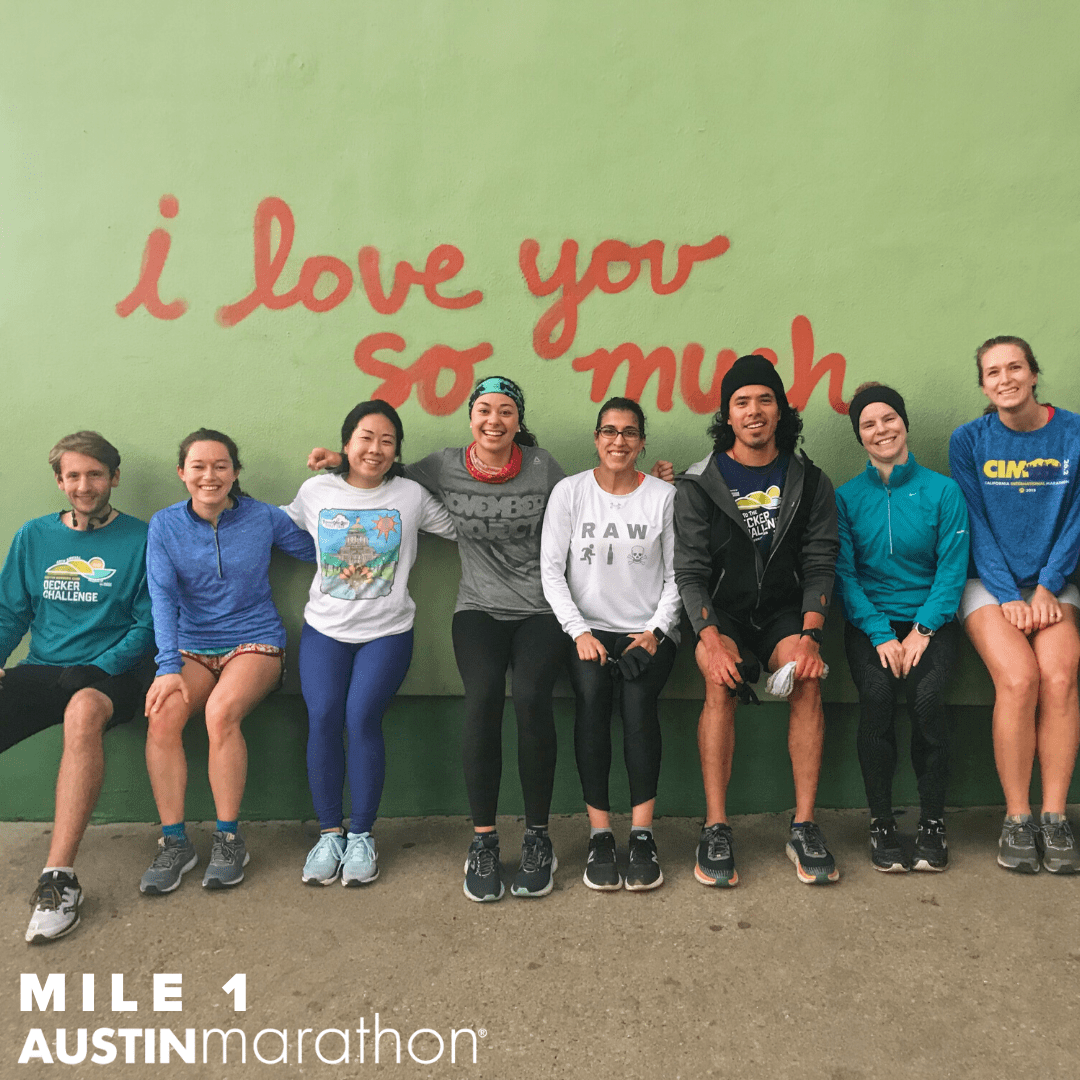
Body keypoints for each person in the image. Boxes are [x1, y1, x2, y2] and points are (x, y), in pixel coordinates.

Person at [309, 376, 567, 901]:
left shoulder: (543, 468)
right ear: (470, 416)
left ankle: (539, 837)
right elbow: (385, 470)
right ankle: (484, 840)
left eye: (506, 412)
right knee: (483, 701)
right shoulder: (441, 465)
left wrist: (659, 480)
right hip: (476, 608)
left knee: (534, 701)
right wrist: (340, 463)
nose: (494, 420)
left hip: (541, 610)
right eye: (484, 410)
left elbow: (583, 509)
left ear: (519, 421)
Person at [673, 354, 840, 886]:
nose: (753, 411)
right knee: (719, 684)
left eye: (764, 399)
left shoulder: (810, 480)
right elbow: (690, 572)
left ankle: (804, 824)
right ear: (727, 414)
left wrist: (811, 635)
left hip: (783, 613)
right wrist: (710, 639)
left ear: (780, 409)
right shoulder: (699, 482)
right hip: (719, 613)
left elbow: (819, 561)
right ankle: (717, 826)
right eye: (741, 402)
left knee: (808, 680)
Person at [282, 401, 455, 886]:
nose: (374, 448)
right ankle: (329, 833)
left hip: (387, 632)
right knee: (322, 717)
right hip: (324, 630)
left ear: (398, 450)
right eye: (365, 437)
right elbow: (278, 525)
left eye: (386, 440)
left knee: (361, 719)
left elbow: (463, 526)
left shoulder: (411, 495)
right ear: (346, 443)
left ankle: (361, 835)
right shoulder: (316, 490)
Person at [141, 429, 315, 894]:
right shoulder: (164, 525)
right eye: (198, 466)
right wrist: (166, 667)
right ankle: (175, 842)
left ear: (235, 473)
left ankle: (228, 838)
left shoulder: (263, 518)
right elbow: (161, 596)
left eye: (221, 466)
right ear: (182, 474)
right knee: (162, 716)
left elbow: (319, 549)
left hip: (254, 641)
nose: (209, 475)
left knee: (220, 713)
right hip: (191, 645)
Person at [0, 432, 153, 942]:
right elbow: (10, 612)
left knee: (84, 710)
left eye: (95, 475)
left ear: (113, 477)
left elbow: (150, 623)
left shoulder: (142, 538)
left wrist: (101, 665)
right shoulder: (34, 537)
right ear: (60, 481)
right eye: (73, 476)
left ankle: (58, 880)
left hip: (113, 675)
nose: (84, 486)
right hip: (45, 668)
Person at [949, 336, 1080, 874]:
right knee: (1020, 679)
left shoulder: (1073, 432)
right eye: (993, 372)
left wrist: (1048, 587)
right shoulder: (969, 440)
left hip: (1055, 583)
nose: (1005, 379)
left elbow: (1077, 519)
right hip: (988, 581)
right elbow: (974, 523)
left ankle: (1054, 815)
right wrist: (1007, 595)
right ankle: (1017, 817)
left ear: (1032, 373)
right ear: (983, 384)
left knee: (1060, 675)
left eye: (1015, 368)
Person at [540, 397, 681, 891]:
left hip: (649, 627)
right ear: (596, 439)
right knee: (593, 702)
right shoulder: (569, 493)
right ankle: (601, 834)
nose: (618, 441)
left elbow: (678, 575)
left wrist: (657, 632)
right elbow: (551, 571)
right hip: (588, 629)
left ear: (642, 442)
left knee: (640, 708)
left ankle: (642, 834)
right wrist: (579, 632)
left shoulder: (663, 496)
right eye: (609, 431)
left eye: (629, 432)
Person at [835, 383, 969, 872]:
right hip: (872, 624)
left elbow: (952, 569)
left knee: (927, 701)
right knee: (876, 698)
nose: (881, 430)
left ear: (904, 422)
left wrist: (923, 629)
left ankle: (932, 821)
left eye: (888, 418)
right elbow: (846, 576)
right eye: (868, 424)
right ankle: (881, 822)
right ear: (860, 437)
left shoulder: (943, 491)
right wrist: (880, 634)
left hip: (929, 623)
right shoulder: (846, 498)